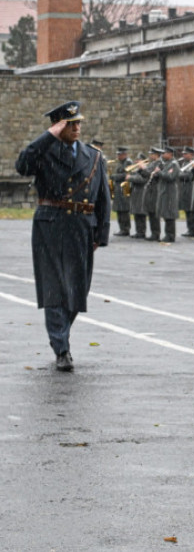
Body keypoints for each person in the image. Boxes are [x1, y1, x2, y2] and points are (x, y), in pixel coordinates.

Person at [15, 101, 111, 371]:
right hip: (51, 226)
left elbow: (103, 196)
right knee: (55, 290)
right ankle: (61, 348)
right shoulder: (43, 152)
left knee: (77, 291)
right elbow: (22, 165)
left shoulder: (92, 156)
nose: (77, 128)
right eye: (70, 124)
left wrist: (101, 233)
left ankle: (61, 335)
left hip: (82, 227)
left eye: (79, 123)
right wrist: (48, 136)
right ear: (57, 127)